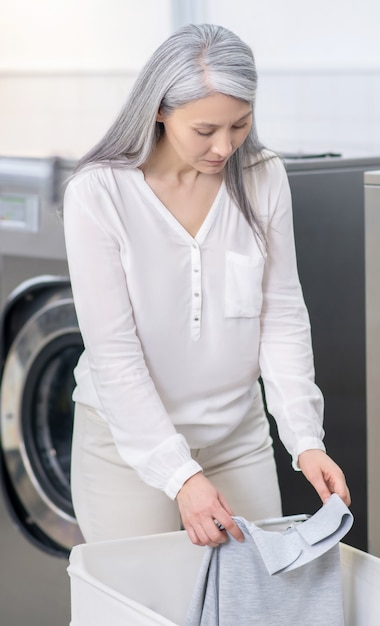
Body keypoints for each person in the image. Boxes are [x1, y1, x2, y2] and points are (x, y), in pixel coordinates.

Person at [63, 23, 350, 549]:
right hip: (127, 446)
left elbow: (281, 317)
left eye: (240, 125)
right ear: (158, 110)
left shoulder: (263, 176)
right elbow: (114, 352)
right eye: (205, 130)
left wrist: (306, 441)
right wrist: (180, 476)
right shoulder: (99, 193)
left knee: (253, 599)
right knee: (134, 604)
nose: (224, 147)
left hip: (236, 438)